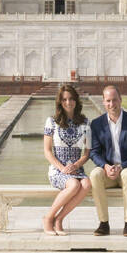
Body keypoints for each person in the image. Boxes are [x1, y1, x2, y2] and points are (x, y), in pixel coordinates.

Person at [88, 85, 127, 237]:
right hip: (108, 171)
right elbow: (93, 152)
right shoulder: (96, 124)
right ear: (103, 102)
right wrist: (105, 166)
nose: (111, 104)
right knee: (94, 174)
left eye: (114, 100)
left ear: (120, 100)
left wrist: (122, 166)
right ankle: (103, 223)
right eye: (108, 101)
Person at [42, 84, 93, 236]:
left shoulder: (85, 123)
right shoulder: (52, 121)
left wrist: (77, 165)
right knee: (73, 185)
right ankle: (48, 218)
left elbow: (87, 152)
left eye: (71, 99)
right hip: (57, 170)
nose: (68, 102)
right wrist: (61, 168)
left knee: (86, 184)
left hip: (76, 169)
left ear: (76, 101)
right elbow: (47, 151)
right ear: (60, 102)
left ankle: (59, 219)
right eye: (64, 99)